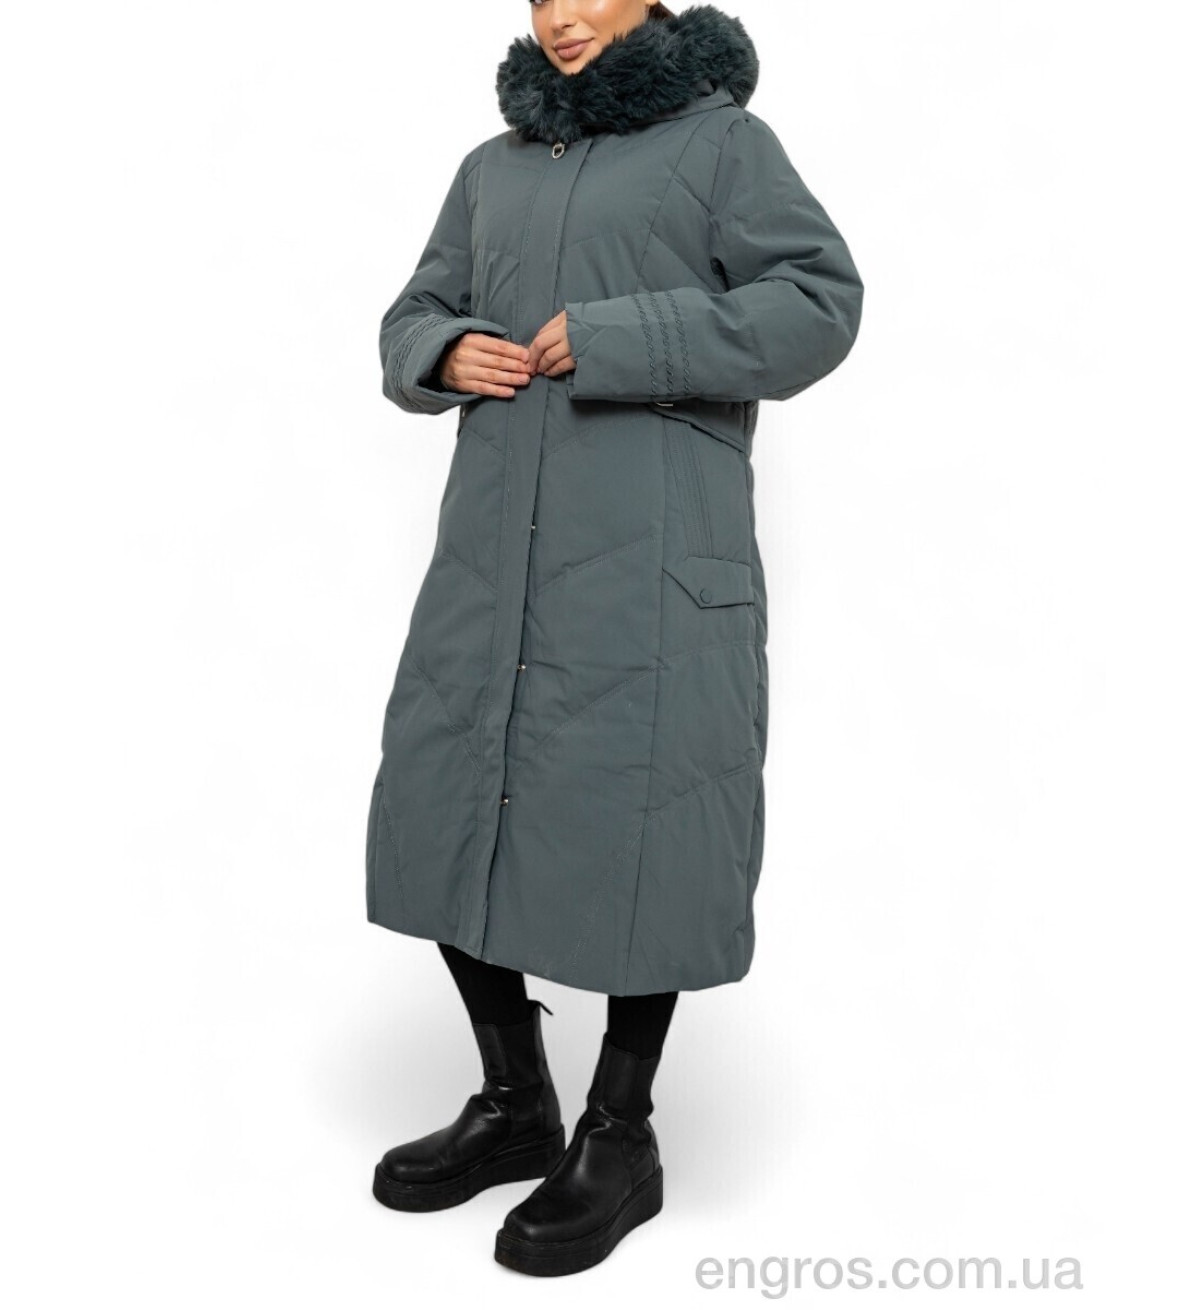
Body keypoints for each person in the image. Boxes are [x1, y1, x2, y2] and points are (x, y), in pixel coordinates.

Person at [366, 0, 862, 1275]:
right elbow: (412, 309)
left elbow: (818, 303)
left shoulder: (722, 144)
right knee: (447, 795)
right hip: (491, 563)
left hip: (647, 563)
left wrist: (626, 336)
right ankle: (514, 1099)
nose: (563, 17)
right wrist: (441, 351)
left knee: (649, 822)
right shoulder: (490, 168)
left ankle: (619, 1130)